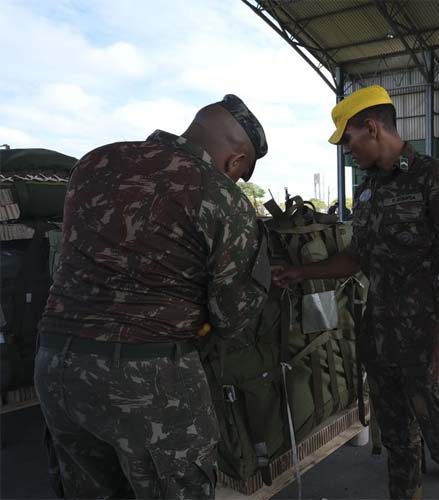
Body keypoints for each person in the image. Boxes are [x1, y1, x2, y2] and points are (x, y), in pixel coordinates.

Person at [35, 95, 271, 499]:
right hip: (148, 376)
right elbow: (233, 315)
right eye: (241, 174)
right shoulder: (219, 194)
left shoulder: (93, 163)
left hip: (56, 365)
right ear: (235, 162)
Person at [275, 85, 439, 499]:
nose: (346, 151)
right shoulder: (369, 191)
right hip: (378, 333)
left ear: (372, 127)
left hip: (426, 333)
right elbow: (356, 257)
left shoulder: (435, 177)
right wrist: (303, 271)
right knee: (397, 439)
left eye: (348, 140)